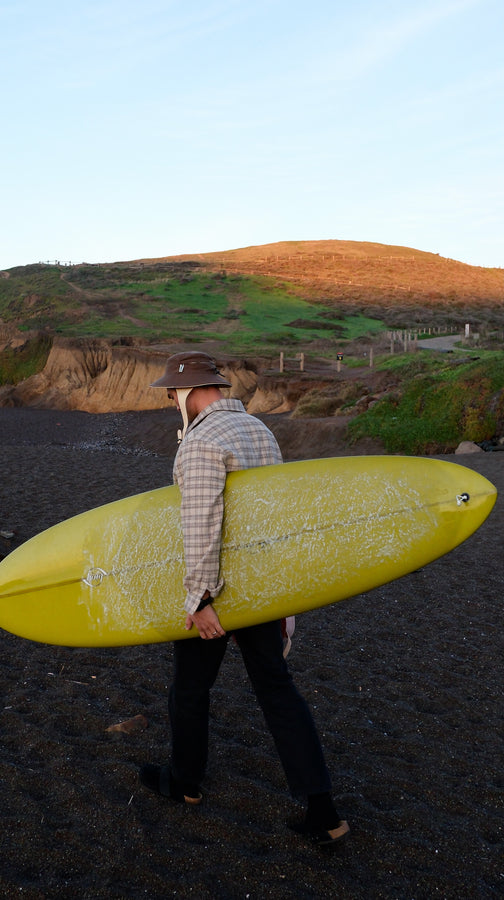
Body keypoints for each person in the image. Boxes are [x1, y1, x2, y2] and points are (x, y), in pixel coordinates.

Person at [139, 351, 349, 846]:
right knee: (278, 692)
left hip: (220, 591)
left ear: (186, 393)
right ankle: (323, 811)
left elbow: (200, 526)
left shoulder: (200, 445)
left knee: (189, 690)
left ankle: (185, 783)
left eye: (172, 394)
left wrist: (200, 598)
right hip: (262, 588)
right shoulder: (260, 431)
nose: (172, 402)